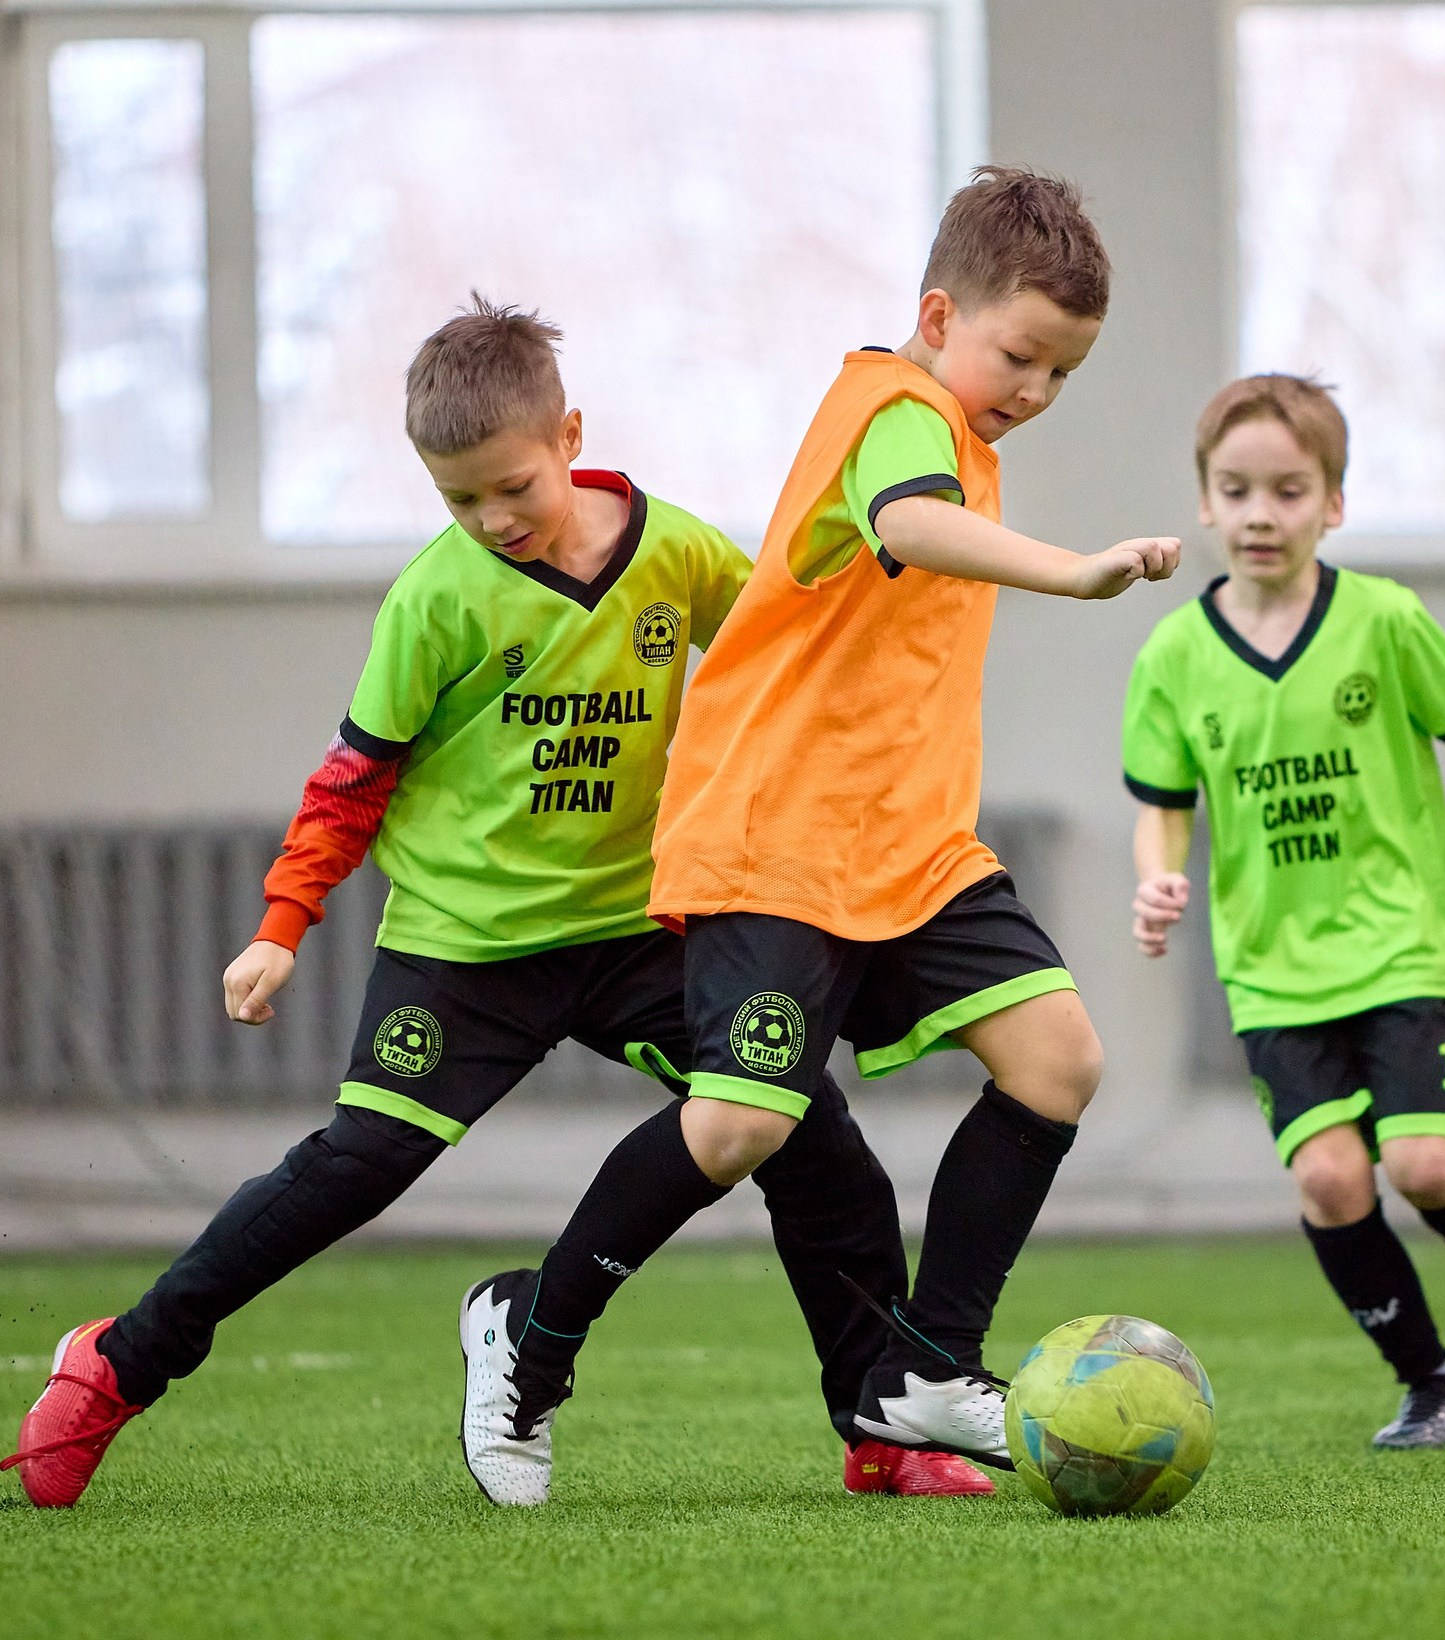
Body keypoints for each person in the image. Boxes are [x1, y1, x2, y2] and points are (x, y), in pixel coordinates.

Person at [2, 297, 991, 1510]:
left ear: (568, 433)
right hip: (463, 948)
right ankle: (117, 1362)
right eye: (458, 499)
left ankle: (876, 1422)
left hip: (637, 930)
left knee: (807, 1133)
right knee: (352, 1169)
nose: (492, 520)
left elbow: (774, 676)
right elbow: (350, 779)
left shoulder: (678, 553)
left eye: (512, 487)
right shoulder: (437, 599)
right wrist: (279, 926)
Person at [457, 167, 1184, 1504]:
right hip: (778, 830)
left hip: (909, 845)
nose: (1032, 389)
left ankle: (921, 1370)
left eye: (1062, 373)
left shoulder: (963, 431)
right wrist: (1078, 572)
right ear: (937, 311)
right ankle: (529, 1334)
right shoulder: (892, 410)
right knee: (739, 1125)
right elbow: (908, 524)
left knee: (1058, 1064)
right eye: (1019, 355)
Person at [1124, 376, 1445, 1451]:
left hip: (1403, 943)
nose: (1260, 513)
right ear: (1205, 501)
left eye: (1289, 491)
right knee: (1332, 1176)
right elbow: (1159, 808)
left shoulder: (1383, 618)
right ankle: (1432, 1382)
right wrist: (1154, 878)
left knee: (1428, 1165)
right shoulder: (1172, 658)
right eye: (1236, 489)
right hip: (1270, 967)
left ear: (1331, 505)